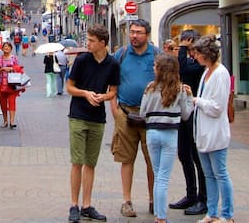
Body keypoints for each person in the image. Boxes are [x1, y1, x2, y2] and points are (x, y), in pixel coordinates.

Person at [66, 24, 120, 222]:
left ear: (102, 43)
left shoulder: (113, 64)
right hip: (78, 115)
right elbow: (69, 87)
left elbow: (114, 91)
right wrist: (85, 93)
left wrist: (104, 97)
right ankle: (74, 204)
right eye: (87, 40)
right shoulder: (82, 60)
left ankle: (87, 205)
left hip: (98, 118)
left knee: (90, 163)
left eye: (91, 41)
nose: (87, 43)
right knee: (77, 161)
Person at [110, 19, 159, 218]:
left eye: (138, 32)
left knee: (152, 161)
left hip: (151, 115)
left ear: (147, 35)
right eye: (132, 32)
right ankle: (127, 201)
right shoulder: (121, 55)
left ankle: (153, 200)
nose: (134, 36)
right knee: (126, 158)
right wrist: (114, 109)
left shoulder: (157, 55)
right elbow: (111, 82)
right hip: (126, 112)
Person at [183, 35, 234, 223]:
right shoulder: (207, 72)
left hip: (215, 133)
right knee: (209, 174)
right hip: (203, 133)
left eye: (197, 53)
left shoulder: (220, 73)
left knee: (220, 173)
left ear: (207, 54)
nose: (194, 56)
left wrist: (196, 100)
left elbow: (217, 107)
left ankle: (227, 215)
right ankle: (212, 213)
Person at [140, 54, 193, 223]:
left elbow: (142, 113)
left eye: (156, 66)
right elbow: (185, 115)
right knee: (163, 176)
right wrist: (190, 98)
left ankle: (158, 215)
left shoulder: (150, 88)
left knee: (157, 175)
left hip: (152, 133)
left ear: (161, 70)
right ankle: (161, 217)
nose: (153, 68)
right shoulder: (180, 89)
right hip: (170, 134)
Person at [171, 29, 207, 216]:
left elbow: (183, 69)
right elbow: (178, 69)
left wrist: (183, 49)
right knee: (184, 153)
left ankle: (203, 197)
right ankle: (190, 194)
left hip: (196, 112)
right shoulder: (192, 61)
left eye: (185, 43)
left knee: (197, 156)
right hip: (183, 110)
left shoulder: (201, 65)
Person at [0, 41, 21, 128]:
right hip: (0, 83)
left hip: (12, 83)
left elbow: (18, 69)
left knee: (12, 101)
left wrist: (13, 69)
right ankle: (5, 120)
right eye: (5, 46)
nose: (6, 48)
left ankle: (12, 121)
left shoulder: (14, 58)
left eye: (8, 47)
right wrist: (2, 69)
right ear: (2, 48)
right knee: (3, 102)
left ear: (11, 49)